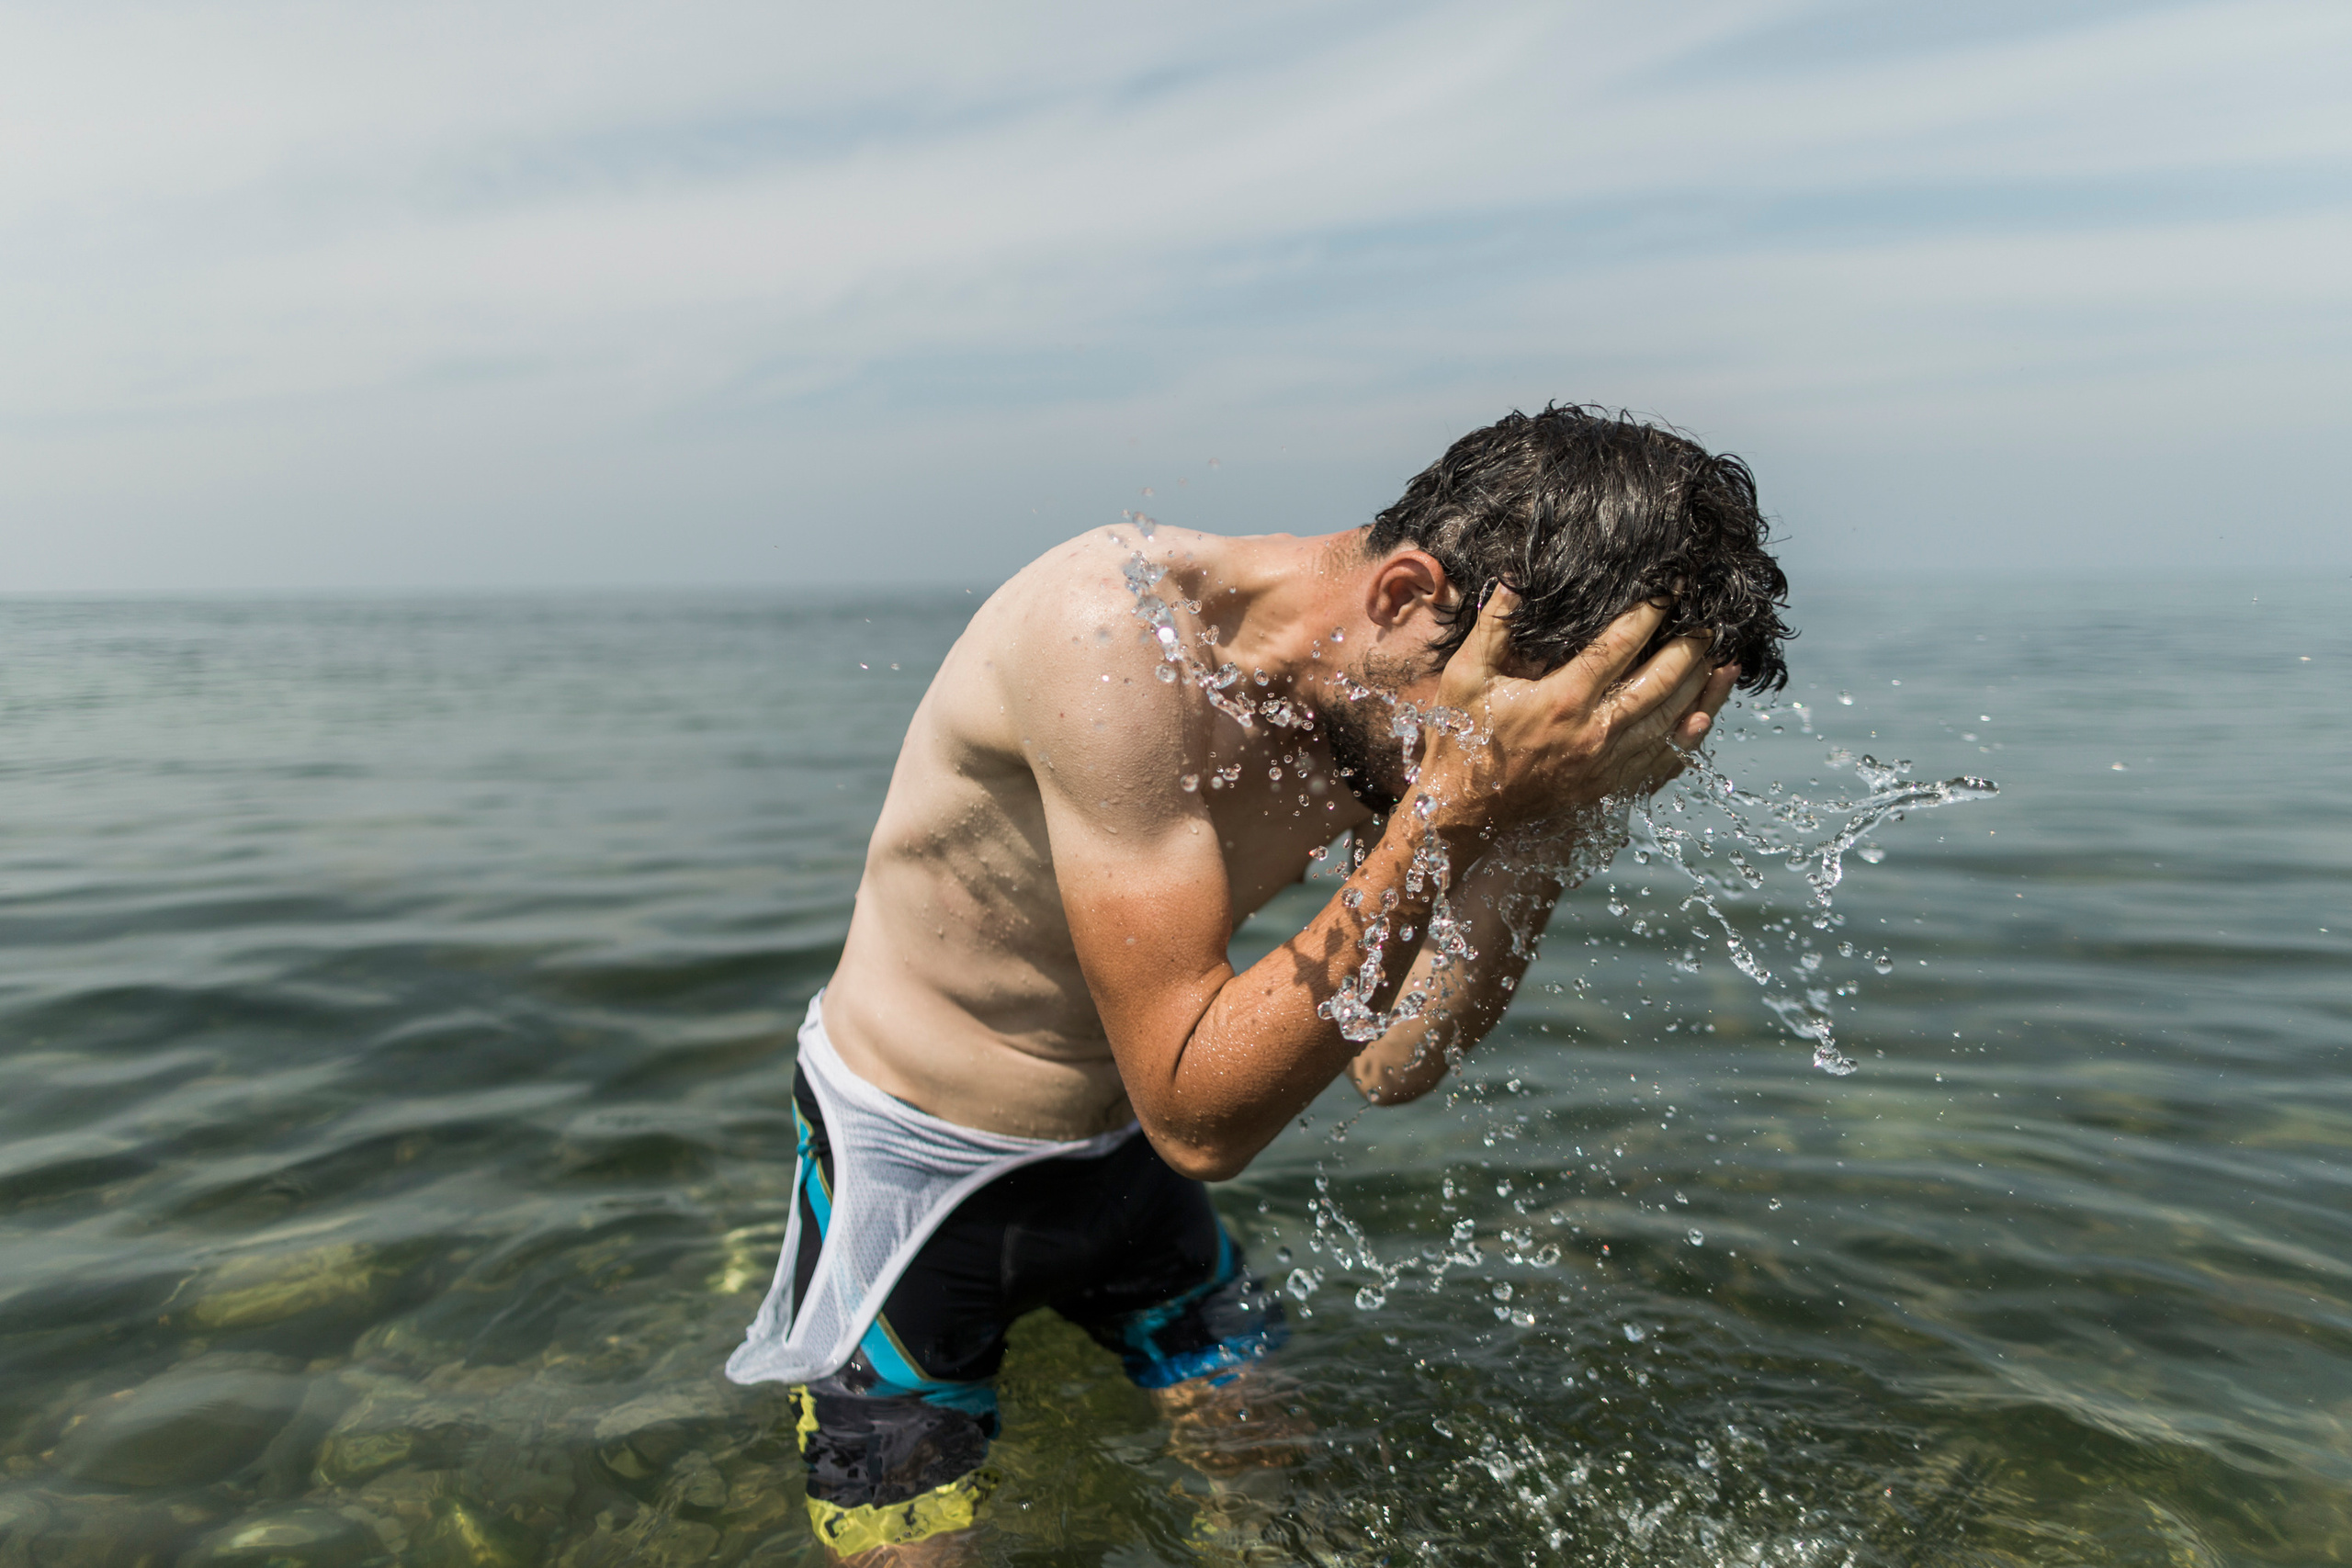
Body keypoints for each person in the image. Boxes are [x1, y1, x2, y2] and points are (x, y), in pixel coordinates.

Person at [727, 404, 1793, 1562]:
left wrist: (1531, 819)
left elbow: (1397, 1060)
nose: (1512, 753)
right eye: (1527, 731)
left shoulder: (1438, 727)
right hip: (909, 1175)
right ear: (1402, 596)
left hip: (1127, 1170)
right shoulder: (1114, 637)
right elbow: (1199, 1118)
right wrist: (1455, 805)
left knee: (1291, 1525)